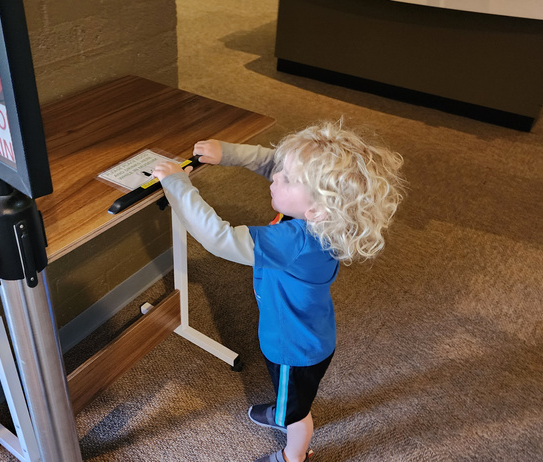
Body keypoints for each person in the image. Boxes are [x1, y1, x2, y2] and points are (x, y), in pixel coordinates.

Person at [152, 121, 405, 462]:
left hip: (293, 349)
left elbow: (219, 238)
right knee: (292, 396)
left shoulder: (296, 241)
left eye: (287, 179)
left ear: (316, 208)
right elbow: (273, 162)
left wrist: (177, 185)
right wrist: (227, 153)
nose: (275, 177)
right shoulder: (323, 217)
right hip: (311, 335)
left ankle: (292, 454)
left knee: (297, 416)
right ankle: (283, 407)